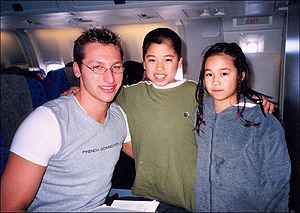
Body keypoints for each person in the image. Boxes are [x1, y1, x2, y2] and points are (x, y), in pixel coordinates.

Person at [62, 28, 275, 212]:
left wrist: (254, 98)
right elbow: (100, 95)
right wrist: (77, 90)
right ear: (143, 62)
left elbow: (226, 95)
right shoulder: (129, 94)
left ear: (179, 62)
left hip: (189, 193)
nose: (160, 68)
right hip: (145, 193)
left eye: (168, 60)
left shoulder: (195, 92)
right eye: (152, 60)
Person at [0, 27, 131, 212]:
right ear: (77, 70)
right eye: (97, 67)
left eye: (116, 67)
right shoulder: (46, 123)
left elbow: (145, 156)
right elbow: (9, 207)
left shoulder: (118, 116)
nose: (110, 78)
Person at [194, 42, 291, 212]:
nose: (215, 81)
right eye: (209, 74)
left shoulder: (263, 122)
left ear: (241, 76)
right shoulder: (201, 113)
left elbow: (278, 181)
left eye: (224, 73)